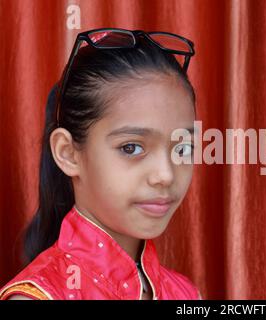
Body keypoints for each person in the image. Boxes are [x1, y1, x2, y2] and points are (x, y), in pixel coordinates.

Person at [0, 28, 201, 300]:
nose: (165, 175)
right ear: (68, 153)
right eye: (131, 147)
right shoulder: (38, 297)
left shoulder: (185, 294)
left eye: (182, 149)